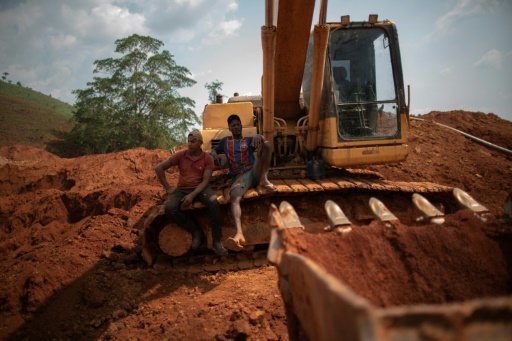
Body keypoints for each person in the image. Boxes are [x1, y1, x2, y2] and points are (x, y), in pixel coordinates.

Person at [155, 130, 228, 255]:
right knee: (170, 208)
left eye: (193, 141)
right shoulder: (181, 155)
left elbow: (205, 181)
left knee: (213, 203)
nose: (189, 144)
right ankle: (195, 231)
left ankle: (217, 241)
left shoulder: (207, 158)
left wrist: (192, 195)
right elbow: (159, 168)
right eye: (188, 141)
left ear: (200, 143)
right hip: (182, 189)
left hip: (201, 188)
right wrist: (168, 188)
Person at [211, 114, 276, 251]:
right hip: (241, 177)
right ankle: (239, 233)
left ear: (241, 126)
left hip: (254, 171)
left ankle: (264, 179)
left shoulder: (249, 140)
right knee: (234, 197)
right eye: (233, 125)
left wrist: (260, 136)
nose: (236, 127)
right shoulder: (225, 142)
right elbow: (214, 150)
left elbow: (264, 144)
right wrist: (214, 153)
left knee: (268, 144)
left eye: (238, 124)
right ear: (229, 128)